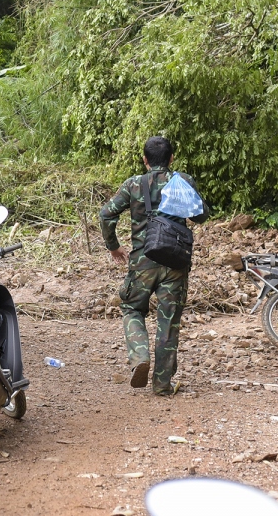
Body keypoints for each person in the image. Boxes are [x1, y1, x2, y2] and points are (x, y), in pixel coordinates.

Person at [99, 136, 209, 395]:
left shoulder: (133, 184)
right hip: (175, 262)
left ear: (145, 160)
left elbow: (106, 214)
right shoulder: (181, 181)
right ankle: (162, 385)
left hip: (142, 262)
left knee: (131, 308)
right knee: (168, 322)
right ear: (171, 159)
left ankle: (139, 356)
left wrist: (113, 246)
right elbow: (201, 215)